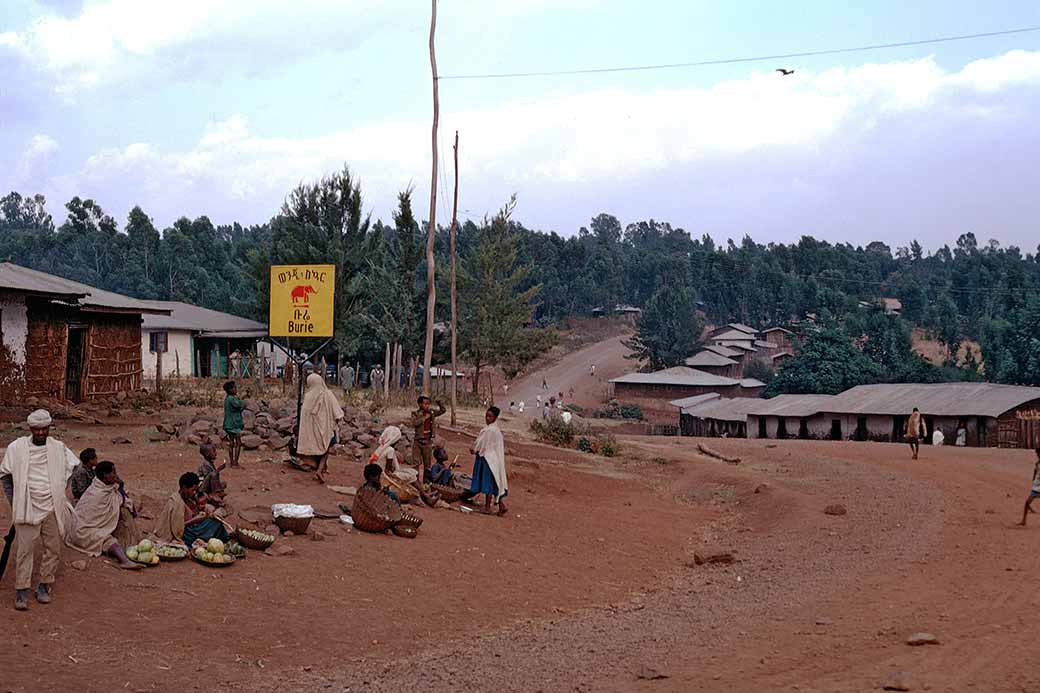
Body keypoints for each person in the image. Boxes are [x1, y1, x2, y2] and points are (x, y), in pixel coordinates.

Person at [0, 410, 79, 611]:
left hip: (51, 507)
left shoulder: (58, 448)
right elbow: (6, 477)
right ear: (30, 428)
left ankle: (44, 586)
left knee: (53, 548)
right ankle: (21, 590)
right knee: (25, 550)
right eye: (38, 429)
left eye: (45, 429)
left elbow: (73, 467)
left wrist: (60, 491)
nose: (42, 433)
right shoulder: (16, 448)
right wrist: (15, 502)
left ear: (49, 428)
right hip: (26, 506)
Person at [66, 461, 141, 570]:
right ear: (106, 476)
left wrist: (121, 485)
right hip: (83, 531)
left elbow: (121, 497)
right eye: (113, 472)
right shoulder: (97, 492)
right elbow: (119, 500)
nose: (116, 475)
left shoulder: (108, 487)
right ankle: (125, 561)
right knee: (109, 540)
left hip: (95, 525)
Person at [155, 472, 229, 547]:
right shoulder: (176, 502)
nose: (194, 492)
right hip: (186, 533)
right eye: (192, 490)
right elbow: (177, 529)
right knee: (215, 524)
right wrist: (195, 520)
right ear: (184, 487)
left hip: (193, 527)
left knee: (216, 521)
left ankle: (221, 537)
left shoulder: (187, 497)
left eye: (195, 490)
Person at [462, 406, 509, 516]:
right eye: (486, 416)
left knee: (487, 484)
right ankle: (502, 506)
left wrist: (474, 450)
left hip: (487, 460)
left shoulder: (489, 430)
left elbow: (481, 444)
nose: (487, 418)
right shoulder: (496, 430)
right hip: (494, 461)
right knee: (494, 483)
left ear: (495, 417)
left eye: (490, 416)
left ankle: (487, 507)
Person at [298, 373, 344, 484]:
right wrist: (337, 422)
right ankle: (319, 470)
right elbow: (337, 412)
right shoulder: (327, 394)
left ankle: (322, 468)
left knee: (320, 448)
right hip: (326, 428)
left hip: (312, 430)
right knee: (325, 448)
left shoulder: (308, 396)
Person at [409, 396, 446, 481]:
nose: (427, 406)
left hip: (427, 442)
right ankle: (416, 483)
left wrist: (439, 402)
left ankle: (425, 484)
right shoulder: (415, 413)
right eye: (425, 404)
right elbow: (414, 423)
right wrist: (424, 418)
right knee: (415, 464)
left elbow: (443, 410)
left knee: (427, 465)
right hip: (417, 442)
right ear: (419, 404)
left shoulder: (431, 412)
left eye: (428, 404)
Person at [197, 443, 229, 512]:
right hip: (201, 488)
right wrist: (219, 469)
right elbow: (210, 476)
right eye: (214, 451)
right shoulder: (205, 464)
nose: (216, 453)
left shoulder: (209, 463)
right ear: (207, 454)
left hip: (207, 485)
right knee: (213, 474)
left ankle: (216, 495)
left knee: (223, 484)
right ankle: (216, 494)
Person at [223, 381, 246, 468]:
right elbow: (239, 405)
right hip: (234, 424)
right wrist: (242, 403)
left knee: (231, 443)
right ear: (230, 390)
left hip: (228, 424)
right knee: (238, 443)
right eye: (234, 388)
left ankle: (232, 462)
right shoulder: (232, 399)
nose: (236, 389)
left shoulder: (227, 399)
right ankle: (235, 463)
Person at [1019, 449, 1040, 526]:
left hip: (1037, 487)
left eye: (1038, 454)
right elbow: (1035, 470)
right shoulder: (1037, 463)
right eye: (1037, 454)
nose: (1037, 456)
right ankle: (1024, 521)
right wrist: (1034, 478)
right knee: (1027, 502)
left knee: (1027, 502)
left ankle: (1024, 520)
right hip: (1036, 487)